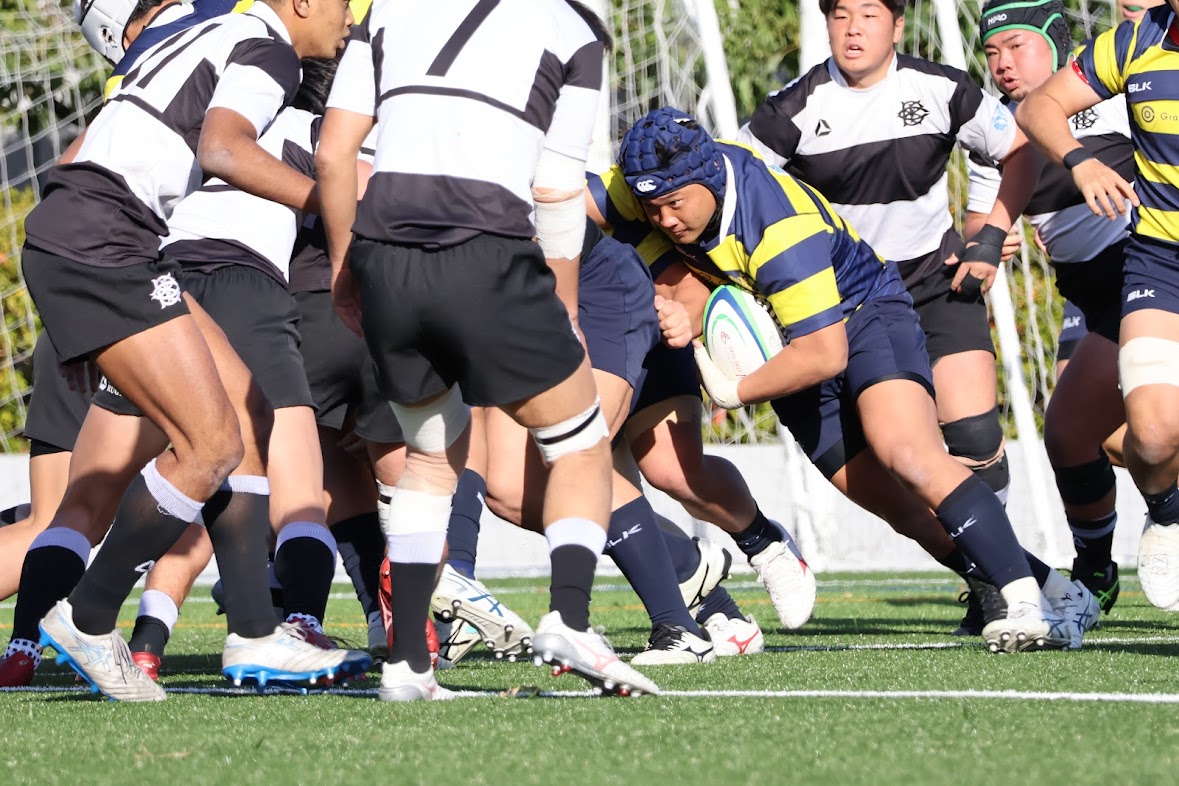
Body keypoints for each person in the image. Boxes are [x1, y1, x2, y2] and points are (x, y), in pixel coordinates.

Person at [606, 106, 1100, 653]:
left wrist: (734, 391)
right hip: (787, 339)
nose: (665, 219)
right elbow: (570, 199)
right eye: (652, 208)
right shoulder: (652, 183)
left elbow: (824, 355)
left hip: (863, 316)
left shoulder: (776, 225)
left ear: (709, 179)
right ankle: (1062, 593)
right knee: (904, 511)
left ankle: (1023, 601)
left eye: (675, 203)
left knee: (907, 454)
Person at [19, 0, 365, 702]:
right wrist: (332, 204)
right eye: (339, 3)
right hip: (107, 238)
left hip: (101, 235)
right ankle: (87, 615)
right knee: (211, 446)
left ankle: (255, 633)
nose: (347, 19)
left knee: (245, 412)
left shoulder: (208, 30)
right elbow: (224, 151)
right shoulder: (269, 48)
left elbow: (80, 155)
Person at [316, 0, 658, 698]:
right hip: (485, 250)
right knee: (580, 443)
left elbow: (332, 153)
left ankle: (407, 663)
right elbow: (556, 189)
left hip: (385, 255)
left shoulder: (388, 9)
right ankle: (570, 619)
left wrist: (346, 265)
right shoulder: (574, 30)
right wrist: (565, 308)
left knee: (428, 460)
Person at [969, 0, 1134, 614]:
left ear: (1058, 44)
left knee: (1095, 428)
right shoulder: (995, 130)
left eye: (1017, 46)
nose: (1003, 63)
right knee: (1081, 439)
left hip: (1140, 272)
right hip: (1084, 293)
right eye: (992, 52)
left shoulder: (1112, 90)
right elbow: (980, 223)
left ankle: (1151, 525)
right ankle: (1101, 566)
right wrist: (987, 240)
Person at [1016, 0, 1179, 611]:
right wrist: (1079, 162)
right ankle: (1167, 514)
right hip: (1161, 260)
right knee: (1151, 437)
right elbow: (1039, 107)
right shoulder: (1136, 41)